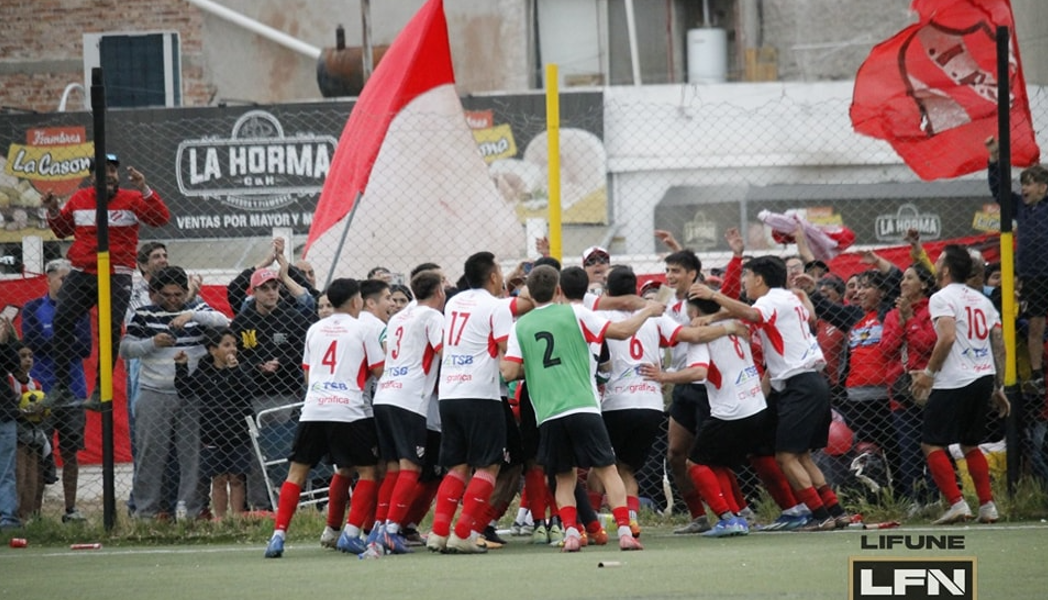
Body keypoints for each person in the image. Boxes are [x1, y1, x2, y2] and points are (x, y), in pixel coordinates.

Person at [501, 265, 664, 552]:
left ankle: (572, 534)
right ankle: (625, 531)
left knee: (564, 476)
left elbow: (511, 371)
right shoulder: (575, 313)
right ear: (559, 290)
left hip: (549, 413)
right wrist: (648, 311)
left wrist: (538, 368)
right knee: (607, 469)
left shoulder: (520, 326)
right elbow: (623, 331)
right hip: (583, 406)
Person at [692, 256, 849, 531]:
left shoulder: (770, 300)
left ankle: (820, 515)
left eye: (746, 276)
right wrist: (716, 316)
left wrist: (713, 295)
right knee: (801, 456)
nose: (744, 283)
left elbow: (752, 314)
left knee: (785, 457)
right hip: (812, 383)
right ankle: (835, 511)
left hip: (799, 386)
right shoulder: (787, 298)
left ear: (759, 279)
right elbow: (759, 315)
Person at [263, 278, 384, 558]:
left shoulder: (315, 329)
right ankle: (351, 534)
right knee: (368, 471)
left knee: (296, 473)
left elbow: (307, 374)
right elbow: (379, 370)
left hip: (314, 408)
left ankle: (278, 536)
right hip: (349, 410)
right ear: (357, 302)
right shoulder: (363, 328)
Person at [40, 154, 171, 410]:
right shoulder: (79, 198)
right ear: (91, 176)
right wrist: (53, 208)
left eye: (113, 171)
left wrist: (144, 188)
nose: (110, 175)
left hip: (116, 273)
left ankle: (102, 389)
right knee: (61, 319)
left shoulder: (132, 199)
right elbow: (62, 229)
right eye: (103, 171)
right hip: (82, 271)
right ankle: (62, 387)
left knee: (110, 328)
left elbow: (161, 218)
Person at [641, 296, 769, 538]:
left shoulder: (702, 338)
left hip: (730, 411)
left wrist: (663, 376)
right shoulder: (735, 325)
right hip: (755, 405)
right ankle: (737, 516)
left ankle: (727, 518)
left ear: (695, 312)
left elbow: (699, 372)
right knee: (715, 462)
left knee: (695, 463)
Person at [425, 251, 520, 554]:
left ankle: (439, 533)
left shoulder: (454, 302)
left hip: (450, 393)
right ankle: (463, 532)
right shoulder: (496, 307)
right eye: (500, 271)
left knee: (457, 467)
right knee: (489, 466)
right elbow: (507, 351)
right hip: (481, 394)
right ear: (493, 276)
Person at [909, 245, 1010, 525]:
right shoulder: (981, 301)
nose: (936, 262)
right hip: (983, 377)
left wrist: (929, 372)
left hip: (954, 379)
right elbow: (998, 344)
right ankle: (987, 506)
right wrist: (998, 386)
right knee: (970, 443)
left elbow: (948, 337)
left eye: (939, 259)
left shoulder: (941, 297)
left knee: (931, 443)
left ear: (946, 269)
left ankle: (957, 504)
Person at [121, 266, 230, 520]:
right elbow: (125, 349)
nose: (172, 300)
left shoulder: (198, 311)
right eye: (166, 295)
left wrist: (190, 313)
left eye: (178, 294)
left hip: (189, 394)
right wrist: (152, 343)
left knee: (190, 455)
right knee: (151, 454)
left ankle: (189, 512)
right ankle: (145, 512)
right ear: (155, 294)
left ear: (185, 291)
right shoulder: (143, 315)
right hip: (154, 392)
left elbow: (224, 322)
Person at [363, 270, 446, 554]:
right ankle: (391, 530)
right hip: (409, 399)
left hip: (385, 393)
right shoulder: (433, 317)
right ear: (439, 293)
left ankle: (379, 528)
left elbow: (389, 347)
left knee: (394, 468)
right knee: (412, 466)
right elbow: (444, 352)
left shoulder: (398, 317)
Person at [229, 266, 313, 509]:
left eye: (275, 287)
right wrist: (256, 366)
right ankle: (260, 504)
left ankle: (292, 502)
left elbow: (302, 351)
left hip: (287, 395)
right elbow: (235, 355)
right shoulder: (243, 322)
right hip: (255, 396)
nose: (271, 293)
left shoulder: (293, 318)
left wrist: (281, 363)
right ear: (254, 291)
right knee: (258, 454)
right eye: (264, 289)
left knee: (288, 449)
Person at [20, 258, 92, 522]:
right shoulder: (32, 308)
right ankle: (35, 512)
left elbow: (84, 347)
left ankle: (71, 508)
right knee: (38, 451)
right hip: (42, 393)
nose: (67, 283)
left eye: (71, 279)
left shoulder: (80, 310)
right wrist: (64, 341)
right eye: (63, 278)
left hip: (73, 391)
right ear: (48, 279)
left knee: (71, 451)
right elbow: (32, 342)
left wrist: (55, 342)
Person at [987, 136, 1048, 395]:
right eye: (1022, 183)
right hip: (1032, 276)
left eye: (1030, 184)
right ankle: (1036, 374)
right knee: (1035, 324)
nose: (1024, 188)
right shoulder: (1020, 209)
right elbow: (1000, 190)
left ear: (1044, 188)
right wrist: (994, 160)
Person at [174, 328, 255, 520]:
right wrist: (181, 367)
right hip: (212, 432)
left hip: (238, 432)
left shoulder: (241, 368)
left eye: (234, 345)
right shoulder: (205, 371)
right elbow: (185, 390)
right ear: (213, 350)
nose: (232, 349)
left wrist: (235, 369)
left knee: (236, 478)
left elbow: (248, 390)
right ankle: (220, 519)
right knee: (218, 479)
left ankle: (236, 517)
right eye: (226, 345)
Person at [880, 263, 938, 508]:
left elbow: (928, 344)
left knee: (934, 445)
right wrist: (902, 322)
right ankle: (915, 500)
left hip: (929, 388)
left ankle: (937, 497)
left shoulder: (933, 310)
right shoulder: (893, 315)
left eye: (910, 278)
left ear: (924, 284)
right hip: (901, 391)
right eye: (902, 278)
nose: (903, 283)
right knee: (908, 449)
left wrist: (911, 320)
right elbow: (886, 349)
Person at [7, 343, 48, 521]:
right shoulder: (9, 381)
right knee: (19, 474)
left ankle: (27, 516)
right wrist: (22, 412)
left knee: (33, 476)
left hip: (33, 434)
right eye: (23, 356)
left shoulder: (35, 385)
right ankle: (13, 515)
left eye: (30, 356)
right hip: (16, 434)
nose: (28, 360)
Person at [0, 318, 23, 528]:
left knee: (6, 470)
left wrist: (4, 342)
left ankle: (7, 519)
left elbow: (15, 367)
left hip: (3, 413)